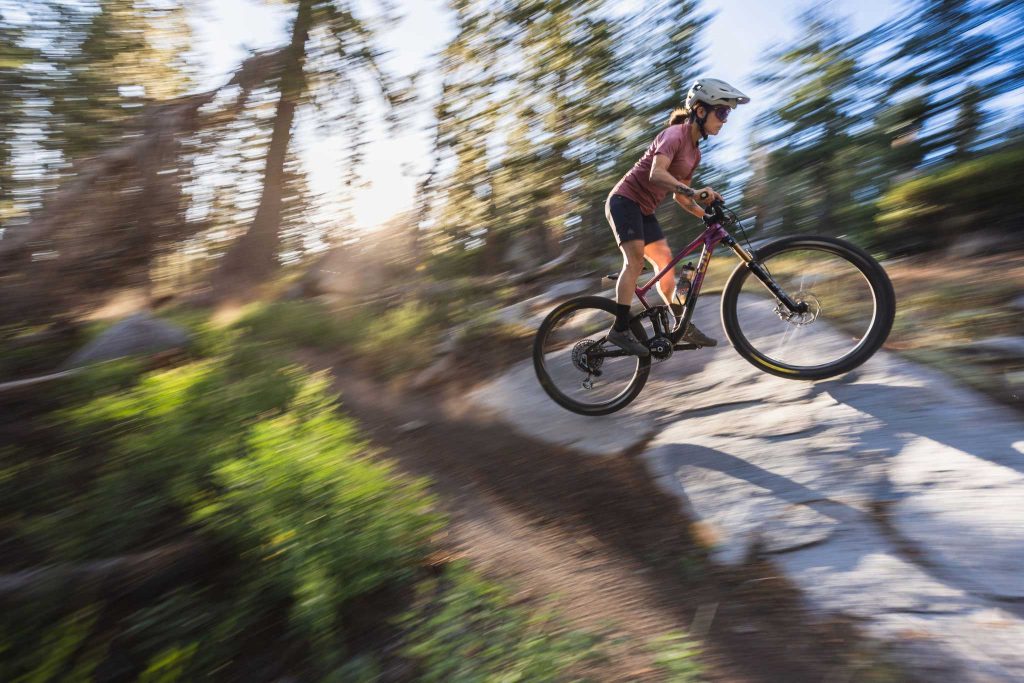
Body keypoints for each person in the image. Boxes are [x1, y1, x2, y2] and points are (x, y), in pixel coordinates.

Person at [604, 78, 750, 357]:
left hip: (644, 210)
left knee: (666, 263)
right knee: (633, 261)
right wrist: (697, 193)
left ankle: (681, 323)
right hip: (624, 201)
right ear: (700, 111)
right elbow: (656, 175)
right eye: (721, 113)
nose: (725, 120)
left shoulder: (694, 153)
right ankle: (620, 330)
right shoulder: (674, 135)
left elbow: (680, 196)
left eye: (727, 114)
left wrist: (706, 216)